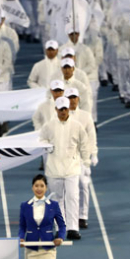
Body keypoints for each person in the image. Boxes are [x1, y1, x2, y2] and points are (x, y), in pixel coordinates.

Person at [39, 96, 90, 240]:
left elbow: (84, 143)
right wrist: (47, 149)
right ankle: (61, 228)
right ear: (56, 109)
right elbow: (41, 141)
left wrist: (86, 162)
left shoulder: (77, 125)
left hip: (72, 168)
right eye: (60, 109)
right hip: (54, 169)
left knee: (72, 197)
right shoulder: (48, 126)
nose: (63, 112)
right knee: (56, 199)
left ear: (69, 109)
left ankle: (73, 228)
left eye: (65, 109)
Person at [66, 88, 98, 229]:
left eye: (75, 97)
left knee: (83, 185)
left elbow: (92, 136)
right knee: (66, 187)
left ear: (78, 99)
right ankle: (68, 215)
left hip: (82, 156)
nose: (72, 100)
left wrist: (93, 154)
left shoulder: (86, 116)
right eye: (70, 97)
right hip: (66, 157)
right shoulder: (60, 116)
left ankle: (82, 216)